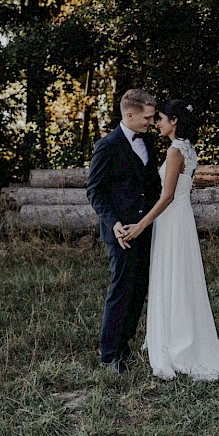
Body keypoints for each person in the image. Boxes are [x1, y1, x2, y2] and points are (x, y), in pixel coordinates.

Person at [121, 99, 219, 381]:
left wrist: (142, 225)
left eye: (161, 118)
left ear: (175, 121)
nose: (157, 123)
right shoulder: (188, 149)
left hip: (171, 219)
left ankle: (176, 341)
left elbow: (167, 196)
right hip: (181, 218)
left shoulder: (174, 151)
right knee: (180, 277)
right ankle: (179, 334)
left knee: (174, 276)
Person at [86, 89, 162, 374]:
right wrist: (114, 224)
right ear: (129, 115)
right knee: (121, 290)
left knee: (139, 289)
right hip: (121, 233)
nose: (151, 122)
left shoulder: (148, 142)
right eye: (147, 117)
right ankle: (108, 355)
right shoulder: (108, 146)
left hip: (147, 228)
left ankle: (124, 346)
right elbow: (94, 191)